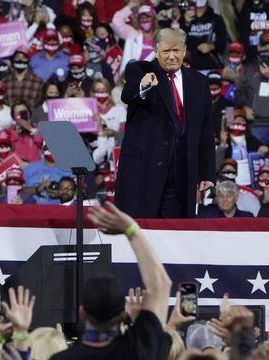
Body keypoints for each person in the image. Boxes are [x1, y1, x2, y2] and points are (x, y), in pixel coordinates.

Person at [115, 28, 215, 219]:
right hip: (144, 172)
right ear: (156, 51)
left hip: (182, 172)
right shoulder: (140, 70)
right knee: (142, 231)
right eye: (166, 51)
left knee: (176, 235)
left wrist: (207, 173)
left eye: (176, 51)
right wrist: (143, 86)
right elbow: (128, 96)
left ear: (184, 51)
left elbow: (205, 130)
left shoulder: (198, 81)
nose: (171, 57)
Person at [51, 202, 172, 359]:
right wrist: (131, 230)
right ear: (123, 314)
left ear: (82, 313)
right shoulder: (139, 350)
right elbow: (160, 285)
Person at [181, 0, 227, 71]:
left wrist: (211, 46)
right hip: (191, 68)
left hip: (212, 67)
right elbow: (180, 42)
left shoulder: (216, 19)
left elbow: (223, 43)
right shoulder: (184, 19)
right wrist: (186, 24)